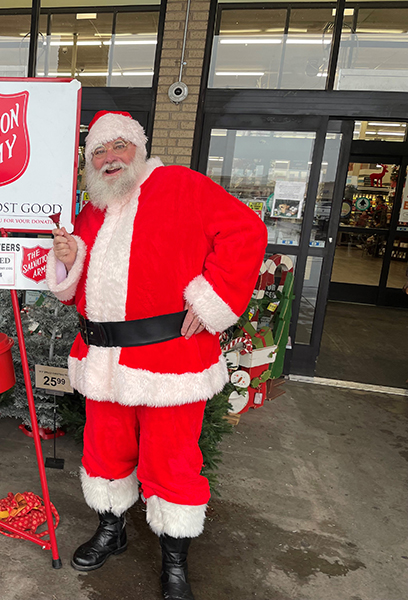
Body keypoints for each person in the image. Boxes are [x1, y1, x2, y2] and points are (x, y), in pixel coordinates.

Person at [46, 111, 267, 599]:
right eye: (99, 151)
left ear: (139, 149)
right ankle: (112, 529)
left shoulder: (181, 185)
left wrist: (211, 301)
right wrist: (68, 259)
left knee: (172, 462)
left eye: (119, 146)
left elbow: (246, 232)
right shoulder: (94, 207)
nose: (109, 158)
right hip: (102, 360)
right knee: (104, 454)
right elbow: (76, 282)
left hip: (170, 361)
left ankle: (174, 559)